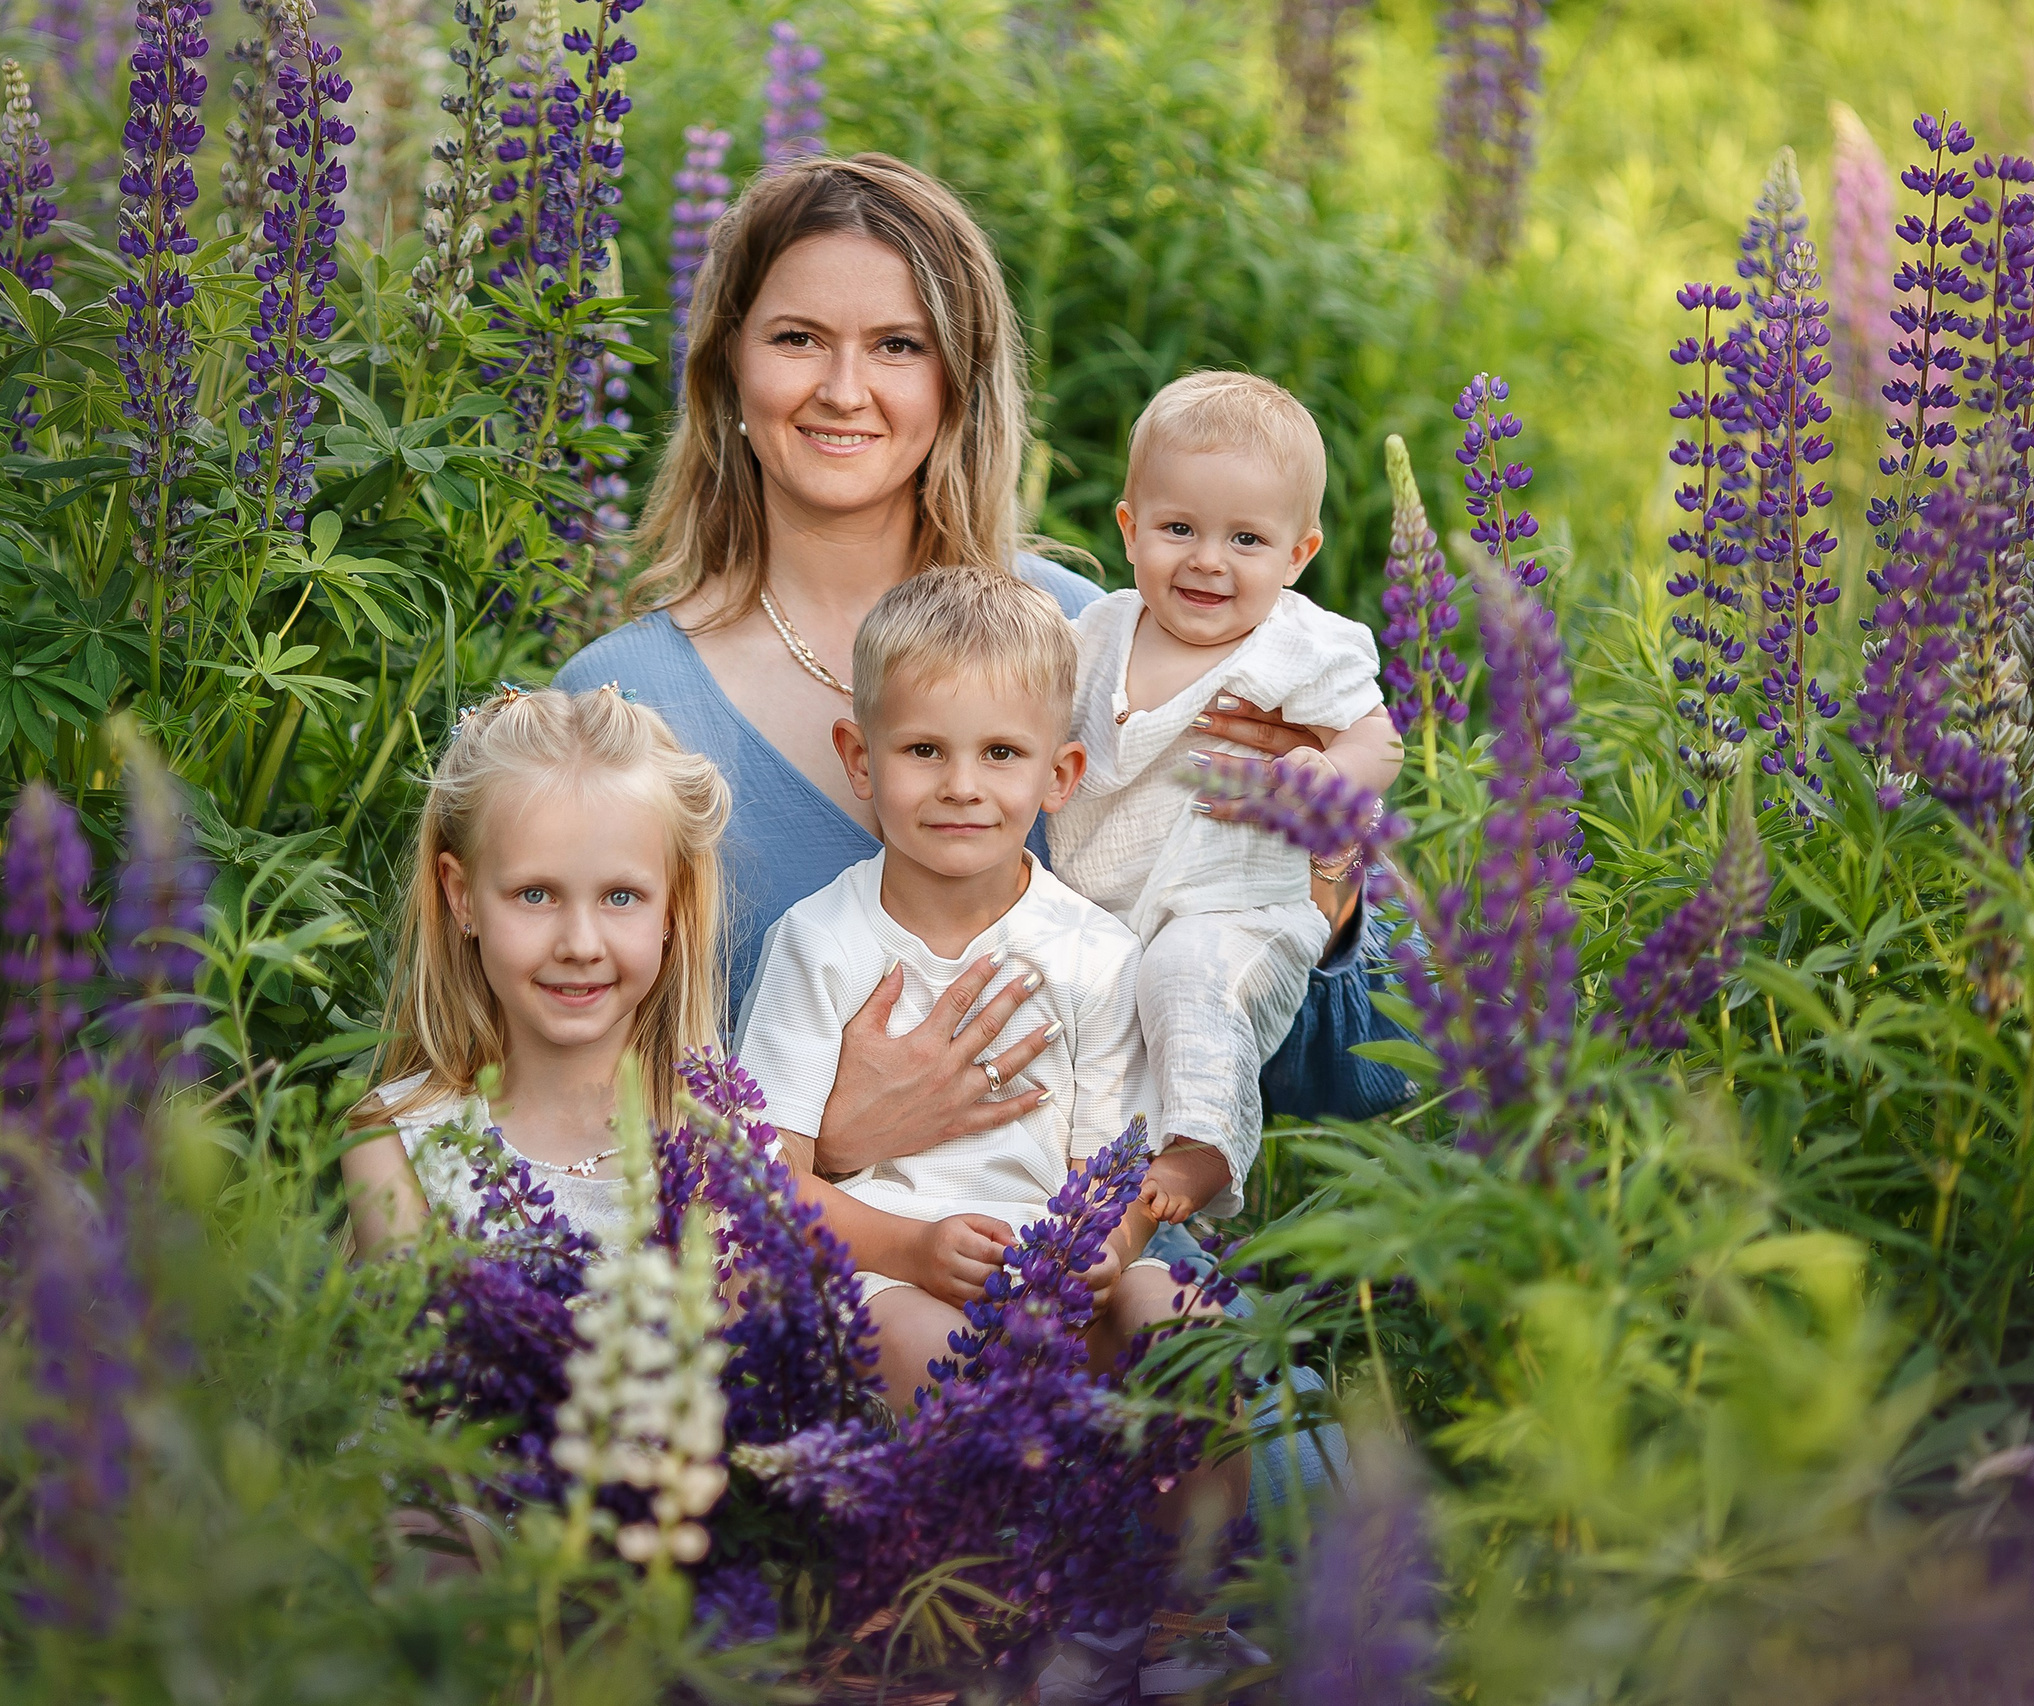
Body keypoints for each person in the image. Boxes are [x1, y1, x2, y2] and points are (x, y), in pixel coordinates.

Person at [552, 152, 1408, 1200]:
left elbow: (1348, 1075)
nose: (842, 388)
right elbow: (547, 1111)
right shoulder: (620, 707)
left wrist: (1319, 880)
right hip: (784, 1317)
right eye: (796, 338)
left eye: (897, 346)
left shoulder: (1106, 641)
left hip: (1107, 1281)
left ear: (958, 378)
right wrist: (831, 1137)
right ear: (726, 367)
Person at [733, 569, 1200, 1403]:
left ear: (1059, 775)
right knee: (940, 1352)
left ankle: (1190, 1535)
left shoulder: (1095, 953)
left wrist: (1107, 1249)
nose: (961, 785)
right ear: (860, 759)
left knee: (1181, 1322)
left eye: (1001, 753)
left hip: (1053, 1273)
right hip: (887, 1272)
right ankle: (988, 1526)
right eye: (923, 750)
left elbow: (1114, 1166)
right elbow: (771, 1178)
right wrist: (910, 1250)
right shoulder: (820, 942)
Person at [1051, 372, 1399, 1229]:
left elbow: (1381, 738)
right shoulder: (1092, 637)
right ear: (1129, 530)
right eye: (1179, 528)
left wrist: (1332, 771)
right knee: (1084, 1024)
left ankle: (1203, 1151)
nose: (1208, 559)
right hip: (1106, 903)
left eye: (1247, 539)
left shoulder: (1300, 644)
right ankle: (1096, 1201)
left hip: (1243, 905)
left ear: (1298, 555)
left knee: (1190, 981)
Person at [341, 685, 731, 1256]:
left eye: (621, 897)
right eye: (535, 894)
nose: (580, 944)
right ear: (462, 896)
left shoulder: (718, 1144)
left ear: (674, 905)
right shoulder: (396, 1145)